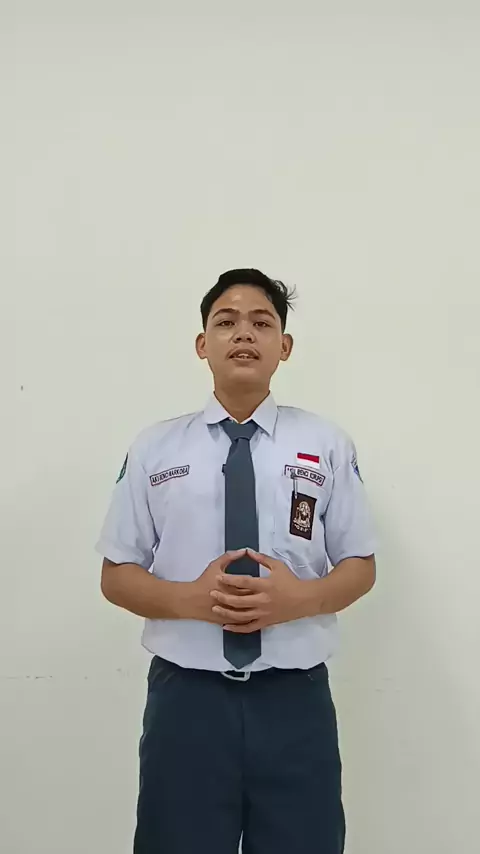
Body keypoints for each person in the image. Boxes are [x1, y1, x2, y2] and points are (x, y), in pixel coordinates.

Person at [96, 268, 376, 854]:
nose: (243, 333)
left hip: (295, 699)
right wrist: (189, 600)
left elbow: (359, 563)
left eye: (261, 323)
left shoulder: (326, 443)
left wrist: (300, 599)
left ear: (284, 346)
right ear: (203, 344)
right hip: (187, 701)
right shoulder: (155, 448)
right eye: (226, 322)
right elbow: (117, 574)